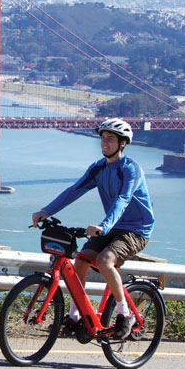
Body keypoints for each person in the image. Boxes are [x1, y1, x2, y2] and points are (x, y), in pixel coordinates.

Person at [30, 117, 154, 339]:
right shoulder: (98, 169)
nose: (104, 143)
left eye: (110, 139)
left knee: (104, 260)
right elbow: (73, 191)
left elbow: (123, 200)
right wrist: (46, 211)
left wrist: (104, 226)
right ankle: (75, 316)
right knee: (80, 260)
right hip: (112, 226)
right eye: (103, 138)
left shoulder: (130, 169)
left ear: (122, 143)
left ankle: (125, 314)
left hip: (136, 229)